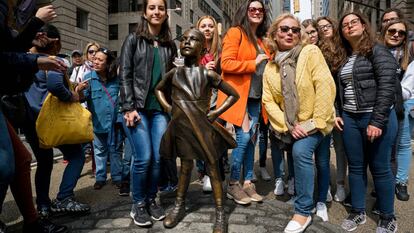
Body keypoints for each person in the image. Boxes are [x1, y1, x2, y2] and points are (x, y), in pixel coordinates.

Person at [156, 28, 239, 233]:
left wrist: (215, 112)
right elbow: (158, 89)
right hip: (181, 127)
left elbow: (233, 94)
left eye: (193, 39)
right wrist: (168, 108)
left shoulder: (208, 74)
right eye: (184, 39)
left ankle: (220, 212)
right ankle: (179, 205)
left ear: (203, 47)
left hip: (203, 126)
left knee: (212, 167)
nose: (186, 42)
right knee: (185, 166)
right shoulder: (174, 73)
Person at [263, 13, 336, 232]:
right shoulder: (271, 66)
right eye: (284, 29)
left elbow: (325, 85)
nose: (290, 33)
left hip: (318, 121)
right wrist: (289, 126)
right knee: (301, 158)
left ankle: (304, 211)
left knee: (307, 155)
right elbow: (268, 100)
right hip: (293, 126)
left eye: (295, 30)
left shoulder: (310, 52)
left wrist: (313, 123)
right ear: (275, 34)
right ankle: (307, 200)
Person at [0, 1, 67, 232]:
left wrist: (35, 47)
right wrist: (36, 58)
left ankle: (33, 221)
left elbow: (11, 51)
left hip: (20, 107)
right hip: (18, 108)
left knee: (21, 160)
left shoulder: (13, 12)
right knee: (5, 165)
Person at [335, 12, 399, 232]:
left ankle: (388, 216)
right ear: (341, 32)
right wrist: (338, 112)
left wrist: (377, 121)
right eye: (345, 25)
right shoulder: (344, 56)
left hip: (376, 117)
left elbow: (388, 86)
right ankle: (358, 211)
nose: (350, 26)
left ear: (363, 25)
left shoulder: (377, 50)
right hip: (351, 119)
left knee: (380, 168)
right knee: (356, 167)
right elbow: (339, 91)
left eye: (354, 22)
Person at [22, 24, 90, 219]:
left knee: (44, 162)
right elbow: (54, 85)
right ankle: (64, 197)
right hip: (52, 120)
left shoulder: (24, 59)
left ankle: (43, 206)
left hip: (31, 119)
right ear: (54, 42)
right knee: (76, 156)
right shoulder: (54, 60)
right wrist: (73, 96)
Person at [119, 0, 177, 227]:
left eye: (161, 8)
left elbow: (172, 79)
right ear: (144, 12)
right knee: (143, 158)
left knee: (157, 159)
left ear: (165, 13)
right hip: (137, 109)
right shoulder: (133, 39)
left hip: (160, 109)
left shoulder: (169, 45)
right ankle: (138, 204)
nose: (156, 12)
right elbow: (125, 74)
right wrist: (128, 107)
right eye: (152, 7)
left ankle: (153, 199)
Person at [217, 0, 270, 205]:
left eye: (260, 10)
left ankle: (248, 183)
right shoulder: (235, 32)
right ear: (245, 12)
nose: (257, 12)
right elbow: (226, 63)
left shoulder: (261, 40)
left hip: (256, 98)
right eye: (252, 9)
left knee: (252, 140)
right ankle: (232, 184)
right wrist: (253, 62)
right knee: (244, 137)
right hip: (240, 97)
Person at [316, 16, 349, 203]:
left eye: (327, 25)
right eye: (320, 27)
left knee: (340, 147)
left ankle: (341, 184)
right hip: (323, 105)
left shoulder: (343, 48)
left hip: (342, 105)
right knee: (323, 149)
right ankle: (326, 185)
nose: (324, 29)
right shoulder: (316, 50)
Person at [379, 19, 412, 201]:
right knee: (379, 149)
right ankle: (381, 182)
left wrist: (386, 89)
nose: (396, 35)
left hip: (400, 107)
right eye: (392, 30)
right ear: (384, 31)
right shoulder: (374, 52)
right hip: (377, 107)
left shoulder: (409, 57)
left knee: (399, 146)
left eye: (401, 33)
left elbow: (407, 89)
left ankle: (398, 182)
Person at [82, 48, 123, 190]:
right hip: (97, 123)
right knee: (99, 151)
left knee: (116, 149)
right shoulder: (88, 77)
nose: (95, 62)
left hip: (115, 122)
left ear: (108, 63)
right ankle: (100, 177)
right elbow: (82, 98)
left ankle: (117, 177)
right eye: (94, 59)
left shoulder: (117, 79)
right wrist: (79, 90)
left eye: (100, 60)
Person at [195, 15, 223, 192]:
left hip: (217, 99)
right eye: (203, 26)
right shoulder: (193, 48)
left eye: (210, 26)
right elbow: (184, 72)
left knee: (216, 138)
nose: (207, 29)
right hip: (198, 99)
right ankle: (205, 173)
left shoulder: (221, 49)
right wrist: (202, 70)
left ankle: (215, 174)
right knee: (201, 138)